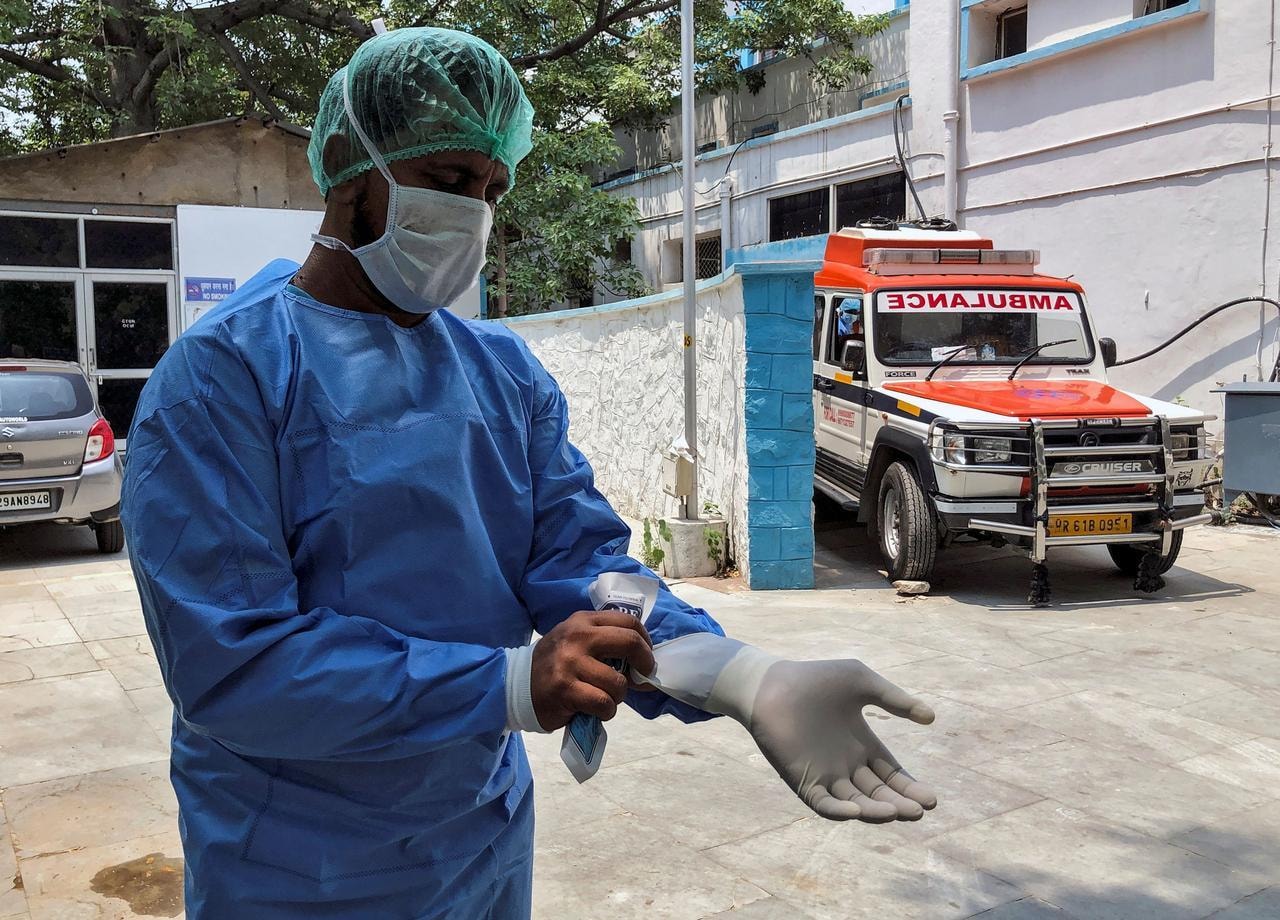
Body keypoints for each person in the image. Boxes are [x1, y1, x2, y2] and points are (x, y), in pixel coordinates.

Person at [123, 27, 936, 920]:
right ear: (351, 170)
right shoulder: (224, 375)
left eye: (492, 188)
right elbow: (232, 664)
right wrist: (509, 683)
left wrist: (741, 675)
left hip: (479, 836)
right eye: (448, 181)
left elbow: (580, 567)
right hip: (295, 860)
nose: (474, 212)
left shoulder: (499, 372)